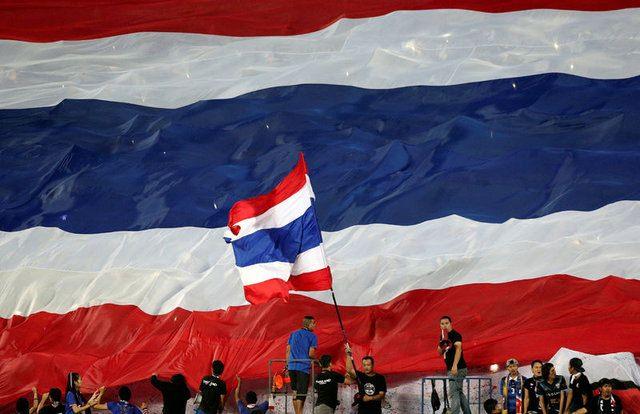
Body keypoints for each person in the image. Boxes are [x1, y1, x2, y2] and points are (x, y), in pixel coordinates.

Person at [437, 316, 471, 414]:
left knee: (454, 393)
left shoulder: (456, 335)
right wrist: (441, 343)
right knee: (459, 392)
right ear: (440, 325)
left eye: (446, 323)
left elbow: (458, 349)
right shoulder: (443, 337)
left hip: (457, 368)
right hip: (453, 369)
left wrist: (454, 366)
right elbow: (439, 353)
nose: (444, 325)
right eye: (442, 324)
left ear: (451, 323)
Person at [286, 315, 318, 414]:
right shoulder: (312, 336)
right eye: (314, 323)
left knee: (295, 391)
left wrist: (287, 365)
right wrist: (317, 361)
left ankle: (297, 413)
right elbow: (311, 354)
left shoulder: (293, 334)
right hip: (303, 367)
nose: (315, 325)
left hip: (291, 366)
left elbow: (288, 350)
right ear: (309, 324)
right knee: (302, 394)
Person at [345, 350, 386, 414]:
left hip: (375, 411)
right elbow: (349, 370)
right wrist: (348, 355)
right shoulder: (360, 376)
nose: (366, 367)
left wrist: (370, 398)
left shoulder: (380, 378)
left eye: (368, 365)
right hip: (362, 410)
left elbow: (382, 395)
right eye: (364, 365)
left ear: (373, 365)